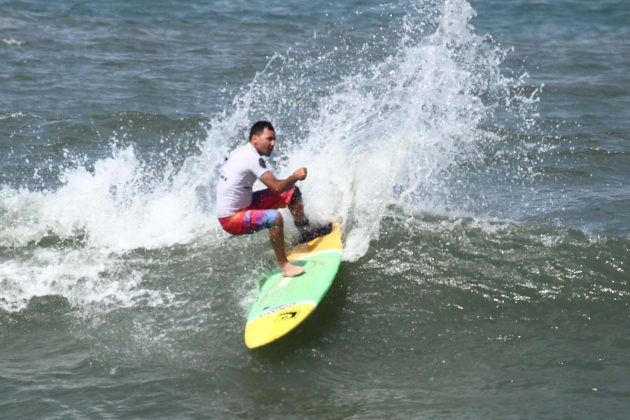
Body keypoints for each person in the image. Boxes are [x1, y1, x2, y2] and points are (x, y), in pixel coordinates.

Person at [216, 121, 329, 277]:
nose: (273, 143)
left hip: (246, 204)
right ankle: (285, 266)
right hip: (231, 218)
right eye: (269, 139)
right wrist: (295, 176)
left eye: (274, 139)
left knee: (291, 192)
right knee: (274, 218)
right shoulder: (252, 158)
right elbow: (276, 187)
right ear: (255, 139)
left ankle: (305, 232)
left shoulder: (240, 152)